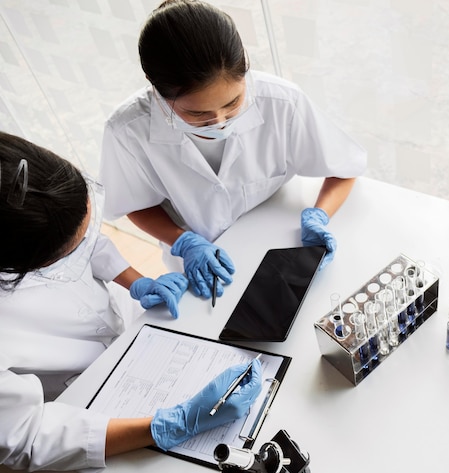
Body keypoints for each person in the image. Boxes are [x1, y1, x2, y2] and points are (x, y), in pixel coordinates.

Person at [0, 132, 262, 471]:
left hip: (132, 340)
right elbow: (26, 439)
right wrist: (170, 426)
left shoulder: (24, 197)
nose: (80, 248)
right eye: (64, 255)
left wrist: (136, 281)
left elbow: (86, 242)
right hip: (80, 399)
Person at [99, 0, 367, 302]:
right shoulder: (126, 131)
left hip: (280, 245)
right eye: (197, 114)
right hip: (206, 266)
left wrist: (319, 215)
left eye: (232, 104)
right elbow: (133, 202)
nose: (220, 122)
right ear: (154, 87)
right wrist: (184, 242)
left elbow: (344, 168)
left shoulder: (283, 102)